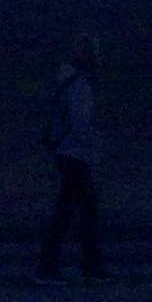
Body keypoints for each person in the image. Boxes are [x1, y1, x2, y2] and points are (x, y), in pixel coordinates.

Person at [36, 34, 103, 284]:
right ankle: (50, 267)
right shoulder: (79, 84)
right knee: (72, 211)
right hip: (74, 153)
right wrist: (93, 145)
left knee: (83, 210)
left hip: (66, 151)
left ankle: (89, 264)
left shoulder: (65, 81)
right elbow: (80, 123)